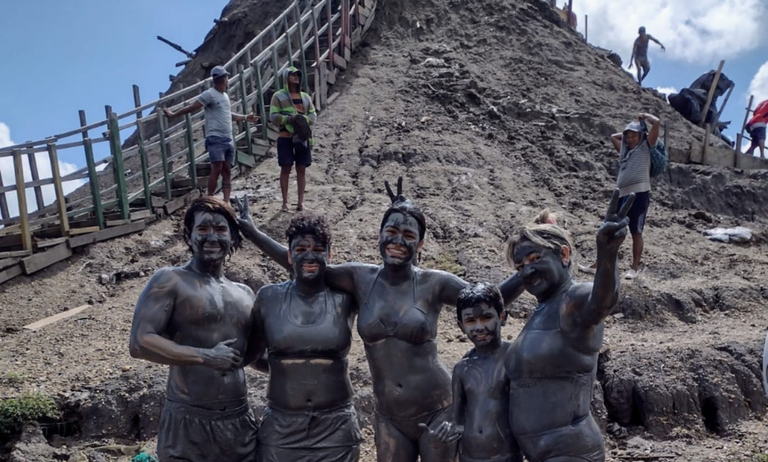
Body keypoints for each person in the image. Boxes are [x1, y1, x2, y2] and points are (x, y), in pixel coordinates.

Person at [237, 177, 526, 462]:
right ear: (379, 234)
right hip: (389, 416)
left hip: (437, 409)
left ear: (421, 244)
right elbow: (307, 263)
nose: (398, 241)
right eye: (392, 231)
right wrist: (252, 232)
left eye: (409, 236)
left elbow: (488, 300)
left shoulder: (434, 283)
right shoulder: (359, 278)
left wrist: (526, 271)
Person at [129, 197, 261, 462]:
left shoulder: (245, 293)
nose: (212, 236)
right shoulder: (170, 280)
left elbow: (257, 356)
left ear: (233, 237)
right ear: (189, 236)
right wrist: (205, 356)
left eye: (221, 230)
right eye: (203, 229)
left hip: (239, 421)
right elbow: (140, 342)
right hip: (188, 421)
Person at [504, 191, 633, 462]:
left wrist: (608, 254)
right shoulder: (543, 309)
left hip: (571, 452)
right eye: (519, 267)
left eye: (535, 259)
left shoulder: (572, 300)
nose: (527, 271)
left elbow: (602, 301)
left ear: (564, 254)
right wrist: (531, 254)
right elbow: (490, 303)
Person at [244, 210, 363, 462]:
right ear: (289, 255)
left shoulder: (346, 297)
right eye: (300, 250)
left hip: (336, 426)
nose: (310, 256)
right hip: (282, 424)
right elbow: (251, 355)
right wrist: (290, 369)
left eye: (318, 249)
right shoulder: (269, 297)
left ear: (330, 255)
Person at [429, 283, 522, 462]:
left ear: (502, 317)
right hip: (469, 457)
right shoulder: (462, 369)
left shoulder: (514, 358)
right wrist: (446, 431)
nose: (479, 327)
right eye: (471, 321)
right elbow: (457, 421)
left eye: (486, 317)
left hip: (506, 457)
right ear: (461, 326)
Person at [579, 113, 660, 280]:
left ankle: (634, 268)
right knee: (609, 229)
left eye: (633, 136)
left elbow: (657, 123)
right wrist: (628, 132)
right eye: (627, 137)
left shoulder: (646, 147)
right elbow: (613, 137)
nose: (629, 140)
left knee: (636, 231)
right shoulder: (624, 151)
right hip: (620, 194)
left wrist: (643, 118)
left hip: (639, 193)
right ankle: (599, 264)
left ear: (641, 136)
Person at [162, 66, 259, 202]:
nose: (228, 80)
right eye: (227, 78)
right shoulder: (209, 94)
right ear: (224, 79)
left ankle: (226, 201)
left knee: (227, 170)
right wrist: (174, 114)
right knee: (217, 167)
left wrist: (245, 117)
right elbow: (193, 107)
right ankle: (211, 196)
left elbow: (227, 115)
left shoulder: (224, 96)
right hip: (216, 137)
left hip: (228, 137)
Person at [270, 66, 317, 212]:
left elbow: (313, 115)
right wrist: (289, 119)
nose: (296, 77)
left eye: (298, 74)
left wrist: (303, 120)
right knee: (286, 167)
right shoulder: (278, 96)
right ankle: (284, 203)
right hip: (285, 137)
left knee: (301, 168)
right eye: (293, 75)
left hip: (301, 137)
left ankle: (300, 203)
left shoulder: (305, 97)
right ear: (286, 78)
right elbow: (273, 117)